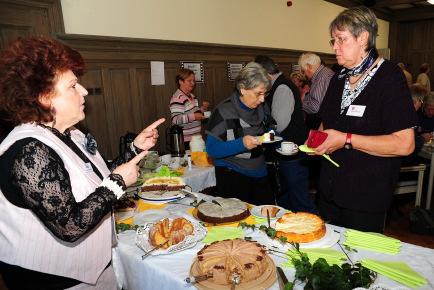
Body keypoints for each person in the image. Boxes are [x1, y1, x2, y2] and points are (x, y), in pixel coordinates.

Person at [0, 37, 165, 289]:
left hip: (93, 267)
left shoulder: (69, 133)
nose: (84, 91)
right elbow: (68, 226)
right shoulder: (29, 152)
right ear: (45, 97)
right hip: (54, 279)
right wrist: (118, 182)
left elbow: (94, 180)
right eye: (73, 86)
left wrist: (134, 149)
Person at [312, 7, 417, 233]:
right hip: (329, 193)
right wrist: (316, 142)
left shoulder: (389, 78)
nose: (334, 47)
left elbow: (405, 144)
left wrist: (346, 139)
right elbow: (325, 124)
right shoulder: (338, 78)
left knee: (356, 265)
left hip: (365, 198)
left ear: (363, 38)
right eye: (333, 40)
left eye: (341, 39)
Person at [205, 62, 274, 205]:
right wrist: (241, 144)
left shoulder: (262, 107)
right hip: (233, 176)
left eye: (265, 93)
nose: (262, 99)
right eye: (258, 93)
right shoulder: (224, 111)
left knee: (264, 221)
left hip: (261, 172)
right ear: (243, 89)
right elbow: (212, 149)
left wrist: (277, 139)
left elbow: (270, 130)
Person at [254, 55, 315, 213]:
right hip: (286, 152)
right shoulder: (277, 86)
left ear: (265, 74)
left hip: (292, 152)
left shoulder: (281, 88)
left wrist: (259, 132)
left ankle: (313, 232)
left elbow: (279, 124)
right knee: (286, 200)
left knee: (299, 199)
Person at [170, 68, 209, 148]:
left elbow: (195, 113)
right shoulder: (178, 98)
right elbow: (176, 119)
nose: (193, 83)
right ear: (180, 81)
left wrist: (203, 109)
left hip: (196, 138)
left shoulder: (191, 96)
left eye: (193, 81)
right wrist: (194, 116)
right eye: (189, 81)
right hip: (185, 141)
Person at [298, 52, 334, 130]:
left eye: (303, 71)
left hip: (320, 123)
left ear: (309, 66)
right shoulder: (325, 72)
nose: (304, 75)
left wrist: (300, 103)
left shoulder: (321, 78)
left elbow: (315, 107)